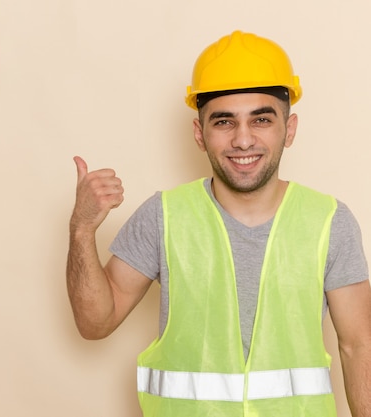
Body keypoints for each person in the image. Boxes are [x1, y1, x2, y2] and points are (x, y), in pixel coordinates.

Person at [66, 30, 371, 417]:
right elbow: (95, 323)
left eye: (261, 119)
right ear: (199, 133)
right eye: (224, 122)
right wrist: (81, 229)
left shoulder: (329, 221)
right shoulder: (163, 216)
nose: (243, 140)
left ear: (289, 129)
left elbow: (360, 346)